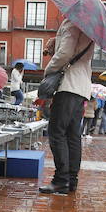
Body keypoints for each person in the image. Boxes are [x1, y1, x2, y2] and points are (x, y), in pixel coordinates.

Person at [38, 19, 94, 194]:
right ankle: (71, 180)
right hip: (81, 86)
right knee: (72, 135)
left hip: (68, 85)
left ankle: (61, 180)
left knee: (57, 132)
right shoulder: (88, 27)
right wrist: (57, 42)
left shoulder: (71, 23)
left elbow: (66, 53)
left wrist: (48, 71)